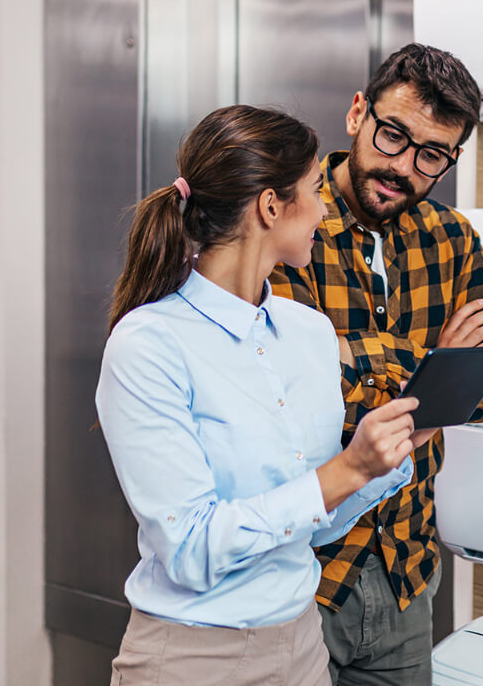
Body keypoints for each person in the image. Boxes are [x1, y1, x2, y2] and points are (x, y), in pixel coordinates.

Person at [95, 105, 435, 686]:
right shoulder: (148, 345)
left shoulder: (309, 332)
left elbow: (312, 526)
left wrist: (386, 459)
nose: (325, 209)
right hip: (191, 659)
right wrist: (347, 466)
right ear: (271, 206)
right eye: (313, 190)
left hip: (303, 648)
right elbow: (190, 549)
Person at [270, 44, 483, 685]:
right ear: (359, 113)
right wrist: (443, 363)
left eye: (431, 154)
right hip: (302, 569)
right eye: (393, 136)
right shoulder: (287, 220)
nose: (403, 167)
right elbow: (293, 391)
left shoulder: (453, 238)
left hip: (407, 572)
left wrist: (355, 357)